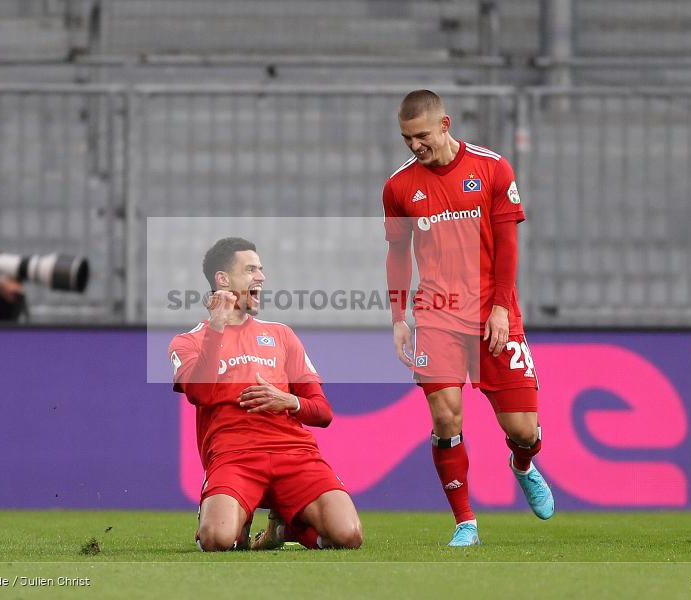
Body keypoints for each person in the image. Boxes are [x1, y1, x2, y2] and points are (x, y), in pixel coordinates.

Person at [382, 90, 554, 547]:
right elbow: (397, 254)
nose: (414, 146)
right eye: (406, 138)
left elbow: (507, 246)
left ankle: (523, 463)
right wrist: (399, 316)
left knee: (522, 429)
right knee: (446, 418)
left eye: (421, 136)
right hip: (436, 314)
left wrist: (501, 307)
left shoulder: (492, 168)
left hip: (491, 313)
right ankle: (465, 522)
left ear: (445, 124)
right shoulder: (399, 186)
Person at [168, 237, 363, 552]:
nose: (261, 277)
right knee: (217, 540)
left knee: (349, 536)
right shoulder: (188, 341)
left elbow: (323, 413)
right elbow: (200, 395)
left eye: (261, 269)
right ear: (223, 280)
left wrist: (289, 401)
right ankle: (235, 520)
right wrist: (217, 327)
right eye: (250, 269)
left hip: (293, 454)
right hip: (234, 456)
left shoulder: (281, 335)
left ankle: (285, 527)